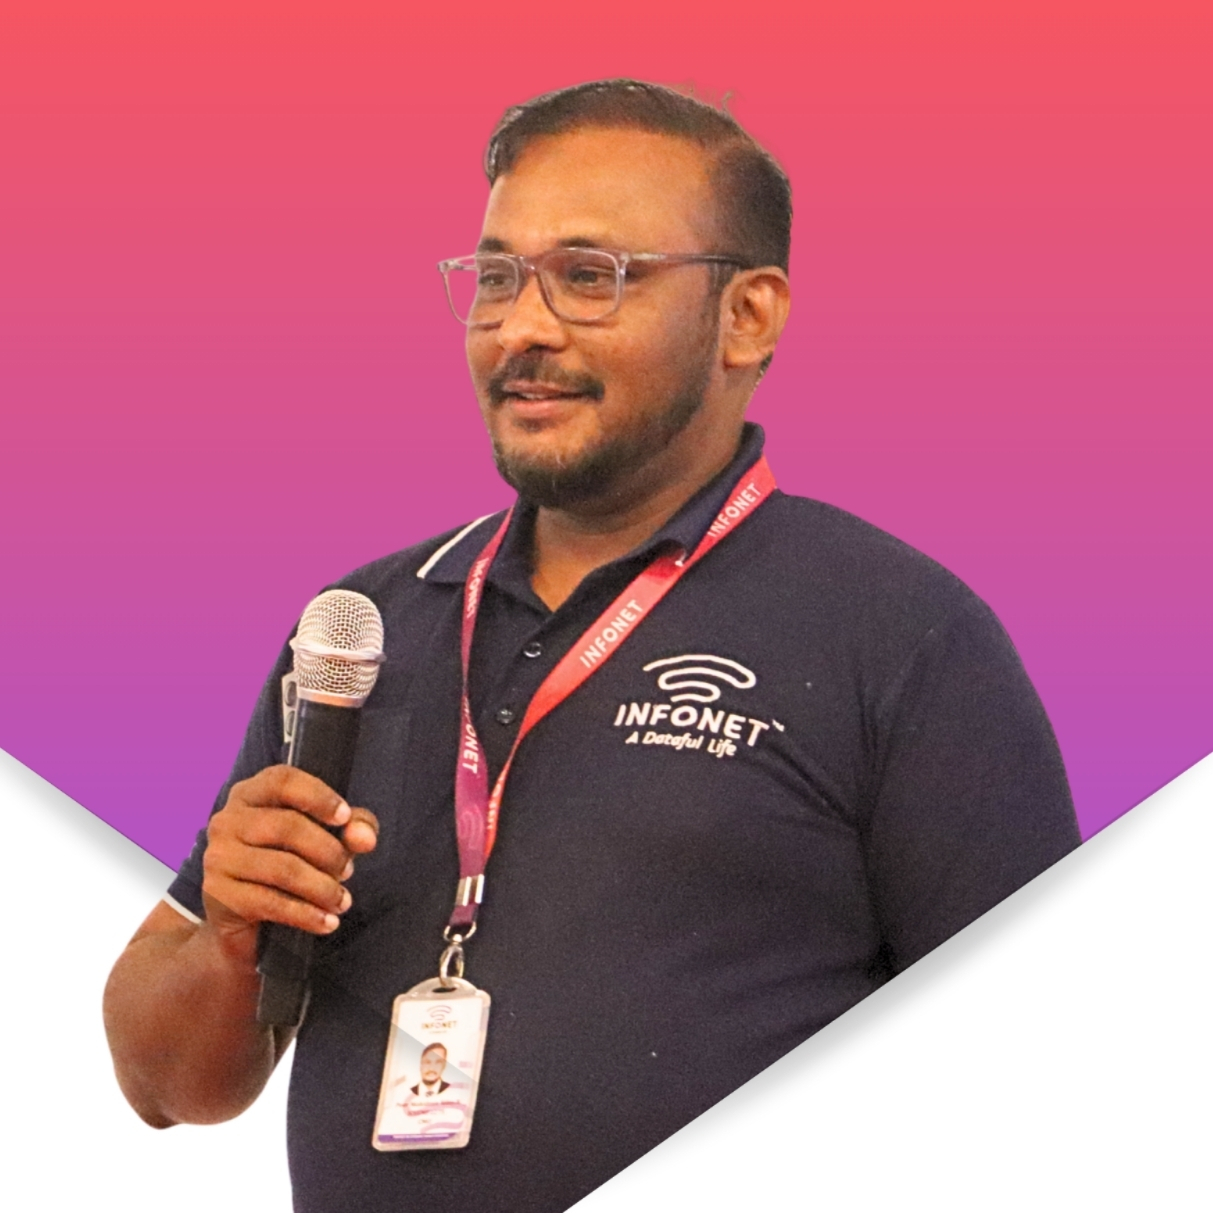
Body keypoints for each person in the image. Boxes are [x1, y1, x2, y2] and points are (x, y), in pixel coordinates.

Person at [103, 79, 1080, 1212]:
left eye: (588, 275)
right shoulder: (364, 626)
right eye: (496, 277)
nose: (521, 327)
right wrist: (231, 939)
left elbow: (1038, 1080)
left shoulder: (902, 635)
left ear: (747, 316)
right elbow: (168, 1088)